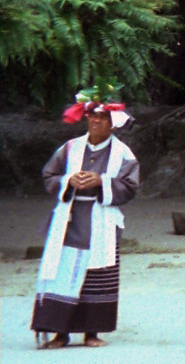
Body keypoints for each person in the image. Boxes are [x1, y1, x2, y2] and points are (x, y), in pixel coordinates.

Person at [32, 87, 139, 348]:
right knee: (62, 271)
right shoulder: (70, 148)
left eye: (102, 117)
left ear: (113, 122)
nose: (95, 120)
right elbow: (49, 176)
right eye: (92, 115)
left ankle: (92, 332)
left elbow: (130, 186)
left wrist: (101, 181)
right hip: (69, 218)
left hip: (101, 217)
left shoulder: (123, 153)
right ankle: (60, 332)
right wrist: (70, 180)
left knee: (97, 274)